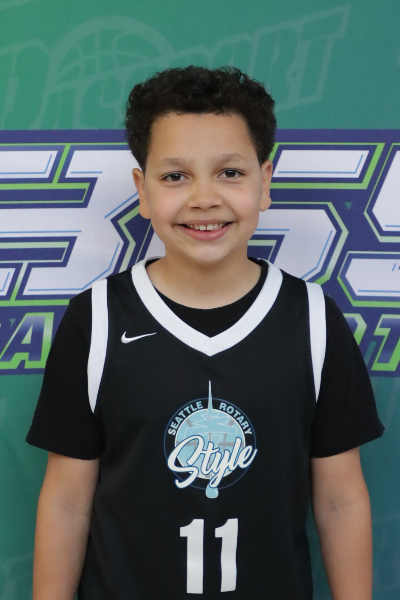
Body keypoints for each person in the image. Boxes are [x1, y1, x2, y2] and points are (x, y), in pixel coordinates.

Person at [27, 66, 384, 600]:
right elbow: (66, 500)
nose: (203, 198)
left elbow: (339, 499)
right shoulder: (96, 318)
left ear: (265, 182)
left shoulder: (312, 319)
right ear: (142, 190)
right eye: (175, 177)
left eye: (229, 173)